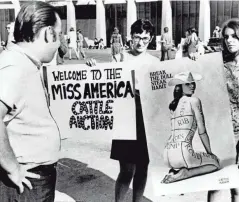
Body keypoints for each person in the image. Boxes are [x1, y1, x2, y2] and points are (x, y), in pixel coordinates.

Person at [86, 19, 159, 202]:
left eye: (145, 38)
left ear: (150, 39)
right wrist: (92, 68)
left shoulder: (155, 61)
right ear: (130, 38)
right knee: (126, 170)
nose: (141, 42)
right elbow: (103, 83)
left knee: (143, 167)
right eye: (137, 37)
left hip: (146, 118)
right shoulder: (120, 58)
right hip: (125, 117)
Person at [0, 2, 62, 201]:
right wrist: (12, 169)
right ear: (48, 33)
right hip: (26, 182)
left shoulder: (23, 63)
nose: (59, 43)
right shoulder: (15, 66)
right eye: (58, 35)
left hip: (33, 178)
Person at [205, 19, 239, 202]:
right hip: (217, 135)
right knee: (214, 188)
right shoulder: (215, 65)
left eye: (234, 36)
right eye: (226, 37)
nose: (229, 40)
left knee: (237, 190)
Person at [161, 72, 220, 184]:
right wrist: (210, 153)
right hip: (183, 154)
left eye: (193, 83)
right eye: (188, 84)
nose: (192, 86)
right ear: (180, 87)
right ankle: (186, 173)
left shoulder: (173, 105)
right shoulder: (194, 101)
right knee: (215, 163)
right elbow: (202, 131)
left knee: (195, 155)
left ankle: (175, 171)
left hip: (167, 154)